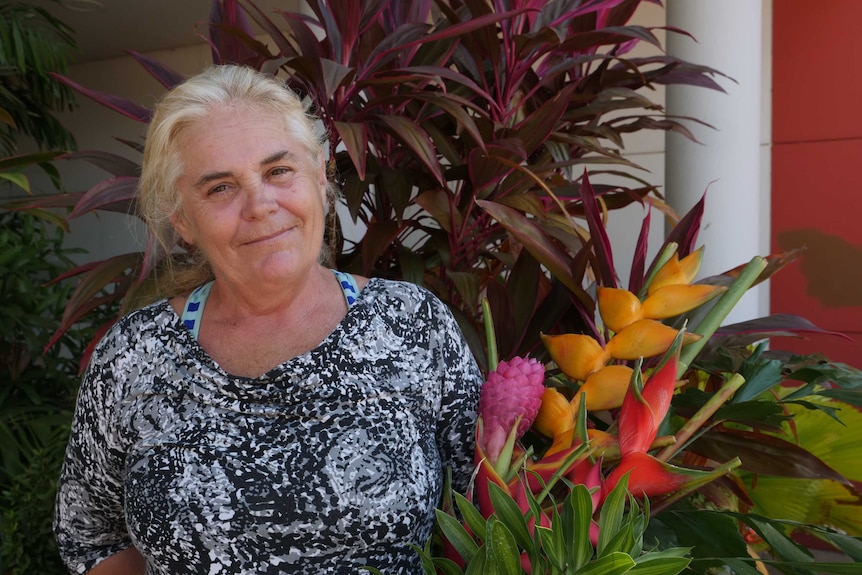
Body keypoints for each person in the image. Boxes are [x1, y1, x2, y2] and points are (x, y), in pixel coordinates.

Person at [54, 65, 483, 575]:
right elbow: (92, 536)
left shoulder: (414, 326)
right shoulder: (131, 357)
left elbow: (484, 513)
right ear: (184, 222)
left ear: (320, 177)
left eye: (279, 171)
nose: (260, 204)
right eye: (219, 188)